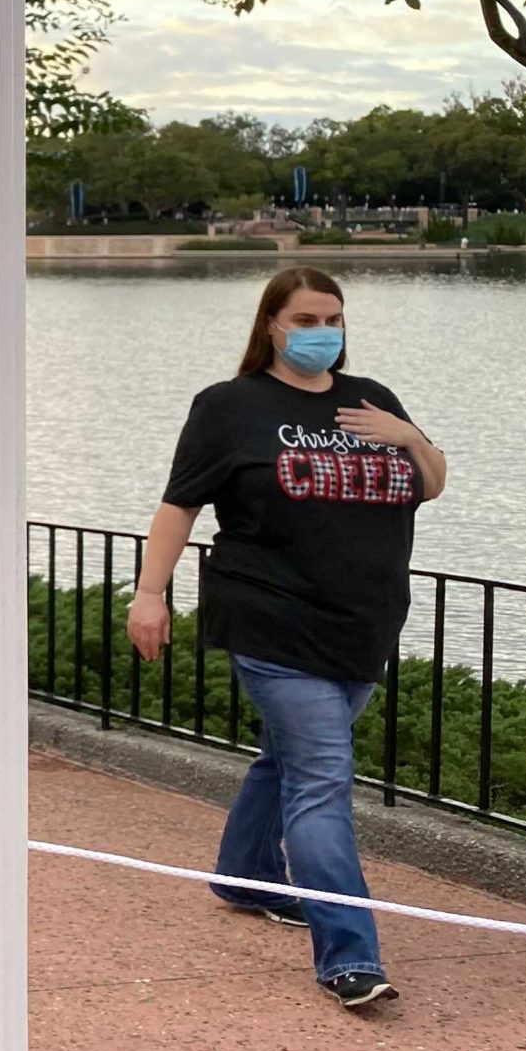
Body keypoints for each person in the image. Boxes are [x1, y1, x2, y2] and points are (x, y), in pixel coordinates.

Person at [127, 266, 447, 1012]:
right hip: (271, 618)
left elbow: (431, 482)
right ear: (272, 324)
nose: (320, 332)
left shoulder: (374, 401)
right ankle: (350, 957)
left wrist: (407, 438)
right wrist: (150, 594)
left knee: (289, 759)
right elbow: (179, 506)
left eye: (331, 317)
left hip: (363, 624)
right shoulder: (229, 408)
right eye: (304, 319)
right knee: (322, 778)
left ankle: (244, 875)